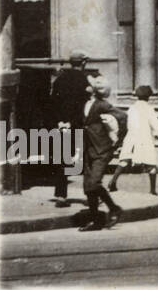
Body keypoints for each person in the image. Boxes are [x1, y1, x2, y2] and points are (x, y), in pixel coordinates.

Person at [49, 50, 92, 206]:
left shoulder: (59, 80)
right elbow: (83, 106)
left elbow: (53, 103)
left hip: (61, 124)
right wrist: (73, 122)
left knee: (62, 159)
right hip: (78, 124)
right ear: (83, 63)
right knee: (86, 160)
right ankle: (90, 195)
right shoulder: (85, 81)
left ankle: (61, 195)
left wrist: (60, 121)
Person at [108, 85, 158, 196]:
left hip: (131, 137)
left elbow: (127, 123)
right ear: (148, 97)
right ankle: (152, 190)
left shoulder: (132, 108)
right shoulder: (149, 109)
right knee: (151, 163)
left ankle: (112, 182)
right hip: (144, 138)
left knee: (124, 160)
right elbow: (155, 123)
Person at [80, 81, 123, 231]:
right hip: (89, 149)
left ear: (94, 90)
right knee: (88, 187)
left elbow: (122, 116)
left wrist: (119, 140)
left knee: (94, 183)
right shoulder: (85, 103)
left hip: (102, 150)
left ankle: (114, 208)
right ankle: (95, 220)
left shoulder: (101, 104)